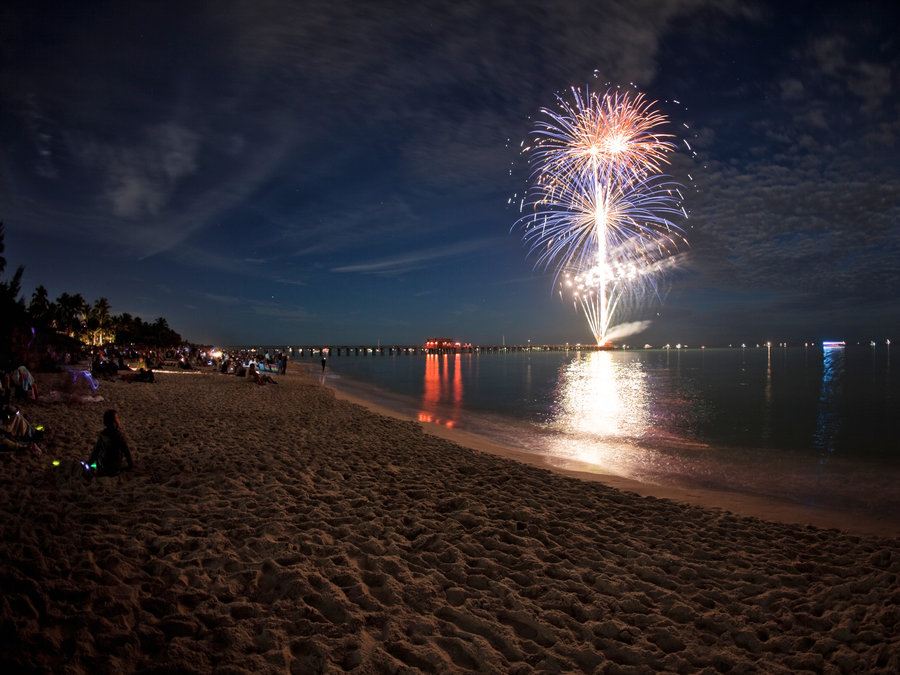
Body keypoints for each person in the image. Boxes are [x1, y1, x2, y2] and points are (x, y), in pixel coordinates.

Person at [88, 409, 133, 476]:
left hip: (101, 466)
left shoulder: (103, 434)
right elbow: (126, 451)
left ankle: (94, 467)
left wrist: (90, 462)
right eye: (117, 418)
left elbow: (95, 450)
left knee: (95, 464)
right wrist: (131, 465)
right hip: (114, 470)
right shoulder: (118, 436)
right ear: (114, 422)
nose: (118, 420)